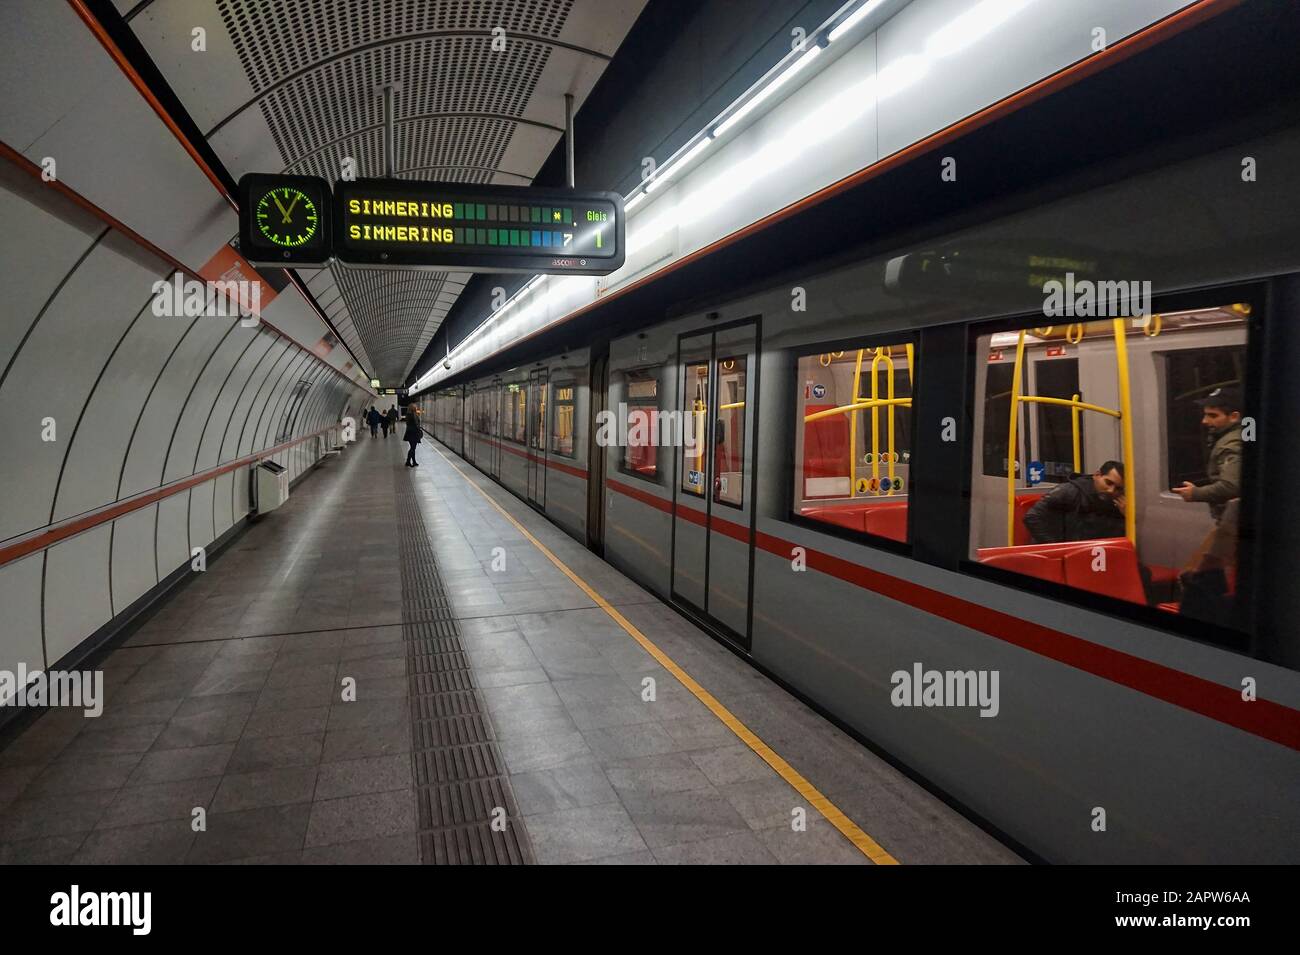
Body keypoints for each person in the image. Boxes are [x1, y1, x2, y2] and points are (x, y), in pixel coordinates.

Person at [1172, 386, 1244, 623]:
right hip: (1232, 523)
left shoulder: (1230, 445)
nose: (1205, 421)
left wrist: (1196, 493)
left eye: (1213, 415)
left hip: (1232, 525)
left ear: (1234, 416)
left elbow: (1232, 486)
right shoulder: (1245, 434)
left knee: (1197, 577)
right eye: (1205, 415)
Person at [1024, 460, 1126, 543]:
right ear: (1097, 475)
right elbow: (1032, 517)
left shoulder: (1116, 504)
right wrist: (1055, 547)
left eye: (1118, 488)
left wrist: (1126, 517)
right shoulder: (1070, 491)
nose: (1111, 490)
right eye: (1108, 483)